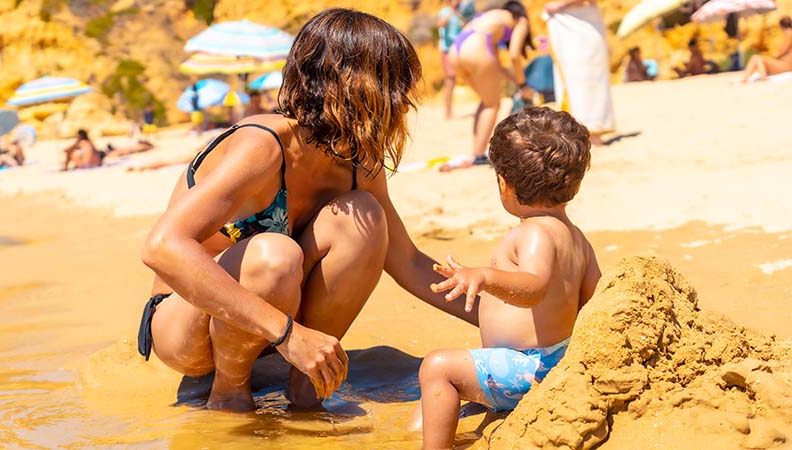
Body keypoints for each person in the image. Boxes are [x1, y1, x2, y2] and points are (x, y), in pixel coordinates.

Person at [138, 8, 479, 413]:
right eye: (396, 86)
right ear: (357, 86)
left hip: (276, 328)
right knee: (273, 255)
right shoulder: (262, 145)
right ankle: (229, 395)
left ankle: (308, 387)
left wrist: (511, 318)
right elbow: (161, 247)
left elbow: (410, 263)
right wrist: (287, 335)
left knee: (365, 215)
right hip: (188, 329)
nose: (405, 103)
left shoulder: (358, 165)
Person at [409, 107, 601, 449]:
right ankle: (418, 435)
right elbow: (594, 299)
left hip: (530, 369)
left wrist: (484, 276)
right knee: (428, 404)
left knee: (437, 367)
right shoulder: (575, 236)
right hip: (552, 359)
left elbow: (534, 286)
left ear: (504, 183)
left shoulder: (536, 233)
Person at [444, 0, 534, 170]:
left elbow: (498, 66)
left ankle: (476, 150)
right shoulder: (520, 20)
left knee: (486, 101)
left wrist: (513, 79)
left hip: (456, 50)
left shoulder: (491, 16)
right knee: (493, 104)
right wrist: (523, 85)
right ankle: (479, 155)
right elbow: (514, 56)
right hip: (476, 48)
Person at [545, 0, 615, 146]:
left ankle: (590, 132)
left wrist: (561, 5)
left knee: (587, 77)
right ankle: (580, 131)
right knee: (577, 78)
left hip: (580, 23)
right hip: (574, 22)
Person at [741, 16, 792, 82]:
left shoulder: (789, 34)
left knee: (756, 58)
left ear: (781, 26)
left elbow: (783, 51)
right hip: (786, 65)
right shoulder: (789, 34)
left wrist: (775, 56)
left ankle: (746, 79)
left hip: (786, 66)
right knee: (759, 60)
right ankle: (761, 78)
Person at [437, 0, 465, 119]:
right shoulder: (445, 11)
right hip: (447, 50)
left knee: (453, 80)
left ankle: (450, 111)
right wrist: (451, 13)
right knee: (450, 79)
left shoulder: (459, 14)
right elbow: (440, 24)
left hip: (456, 50)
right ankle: (448, 112)